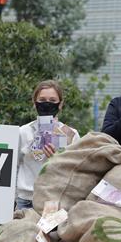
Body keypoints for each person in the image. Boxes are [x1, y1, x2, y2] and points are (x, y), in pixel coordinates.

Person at [15, 80, 79, 210]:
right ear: (35, 103)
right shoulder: (23, 132)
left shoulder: (71, 134)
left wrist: (58, 159)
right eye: (42, 100)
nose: (47, 104)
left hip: (55, 200)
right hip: (26, 200)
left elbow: (76, 170)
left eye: (52, 100)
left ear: (60, 104)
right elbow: (12, 166)